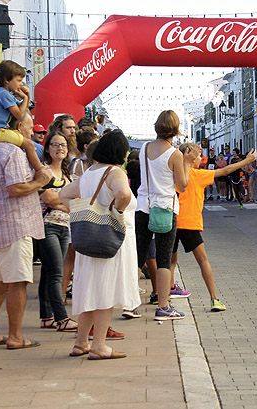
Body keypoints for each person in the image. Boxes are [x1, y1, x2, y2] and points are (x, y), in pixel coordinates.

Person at [60, 130, 140, 358]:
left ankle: (81, 343)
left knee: (89, 291)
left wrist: (80, 211)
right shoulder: (115, 172)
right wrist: (116, 213)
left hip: (89, 239)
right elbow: (123, 194)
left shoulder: (90, 172)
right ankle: (99, 346)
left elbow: (64, 194)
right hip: (110, 241)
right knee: (105, 291)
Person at [169, 143, 257, 311]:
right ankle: (214, 299)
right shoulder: (197, 175)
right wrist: (247, 161)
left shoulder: (172, 174)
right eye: (198, 157)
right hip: (189, 223)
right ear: (190, 158)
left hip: (171, 221)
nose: (200, 161)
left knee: (170, 261)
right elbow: (226, 170)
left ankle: (165, 294)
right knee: (203, 261)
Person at [0, 126, 52, 349]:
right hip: (14, 225)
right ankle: (15, 336)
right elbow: (15, 188)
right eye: (28, 126)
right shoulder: (12, 151)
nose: (31, 131)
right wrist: (40, 181)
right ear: (17, 127)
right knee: (17, 283)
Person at [135, 110, 201, 321]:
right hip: (164, 207)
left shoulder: (144, 147)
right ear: (175, 129)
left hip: (143, 206)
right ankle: (163, 306)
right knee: (164, 259)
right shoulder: (175, 154)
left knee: (139, 256)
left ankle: (130, 304)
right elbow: (182, 185)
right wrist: (187, 163)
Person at [36, 131, 78, 332]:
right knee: (56, 273)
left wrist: (61, 203)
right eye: (55, 144)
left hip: (64, 227)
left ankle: (46, 317)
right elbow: (48, 198)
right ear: (47, 148)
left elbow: (71, 201)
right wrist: (64, 202)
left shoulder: (67, 174)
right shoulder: (43, 172)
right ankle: (61, 318)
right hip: (47, 226)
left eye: (63, 145)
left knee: (48, 272)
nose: (60, 148)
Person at [0, 60, 47, 179]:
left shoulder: (3, 93)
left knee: (21, 140)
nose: (21, 84)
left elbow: (23, 110)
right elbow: (19, 115)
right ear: (7, 80)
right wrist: (25, 98)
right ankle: (41, 171)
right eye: (18, 80)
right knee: (29, 144)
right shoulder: (3, 94)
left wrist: (27, 96)